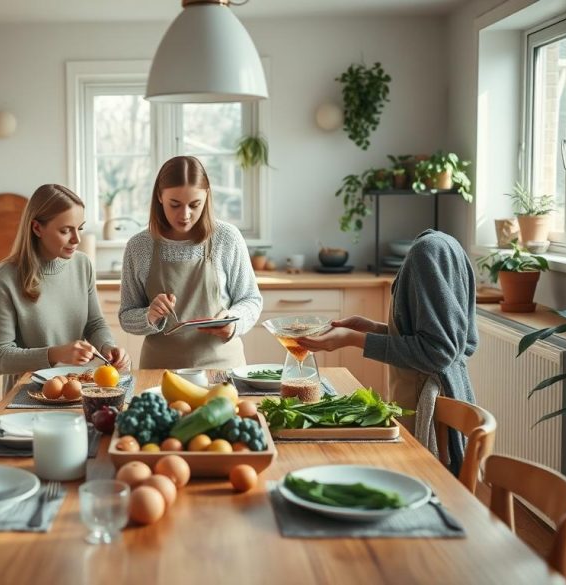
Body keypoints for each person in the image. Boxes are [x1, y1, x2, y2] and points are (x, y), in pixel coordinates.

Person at [296, 229, 478, 474]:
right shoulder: (447, 243)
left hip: (422, 404)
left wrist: (355, 339)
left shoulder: (424, 253)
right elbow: (434, 340)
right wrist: (371, 329)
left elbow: (437, 352)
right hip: (442, 393)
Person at [118, 156, 262, 369]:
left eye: (195, 204)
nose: (185, 215)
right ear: (159, 196)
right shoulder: (139, 246)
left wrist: (233, 322)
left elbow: (251, 299)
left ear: (207, 196)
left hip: (222, 369)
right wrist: (149, 315)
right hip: (159, 371)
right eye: (174, 205)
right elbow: (126, 315)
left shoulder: (226, 237)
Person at [0, 184, 130, 393]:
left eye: (79, 228)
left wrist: (108, 346)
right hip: (27, 394)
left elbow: (94, 323)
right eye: (65, 231)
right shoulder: (5, 277)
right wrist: (55, 354)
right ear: (37, 228)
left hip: (77, 388)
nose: (77, 239)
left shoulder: (82, 264)